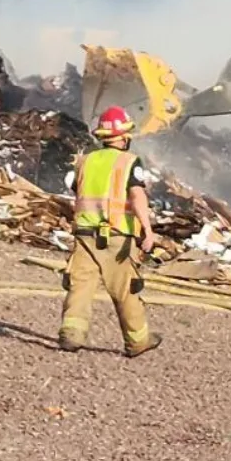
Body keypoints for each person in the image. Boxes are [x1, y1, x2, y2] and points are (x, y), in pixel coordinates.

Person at [58, 106, 161, 357]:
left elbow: (76, 189)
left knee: (80, 285)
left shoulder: (85, 161)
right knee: (125, 288)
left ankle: (72, 333)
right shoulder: (128, 162)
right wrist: (147, 230)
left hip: (84, 233)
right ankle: (137, 341)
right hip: (116, 236)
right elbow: (136, 196)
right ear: (124, 136)